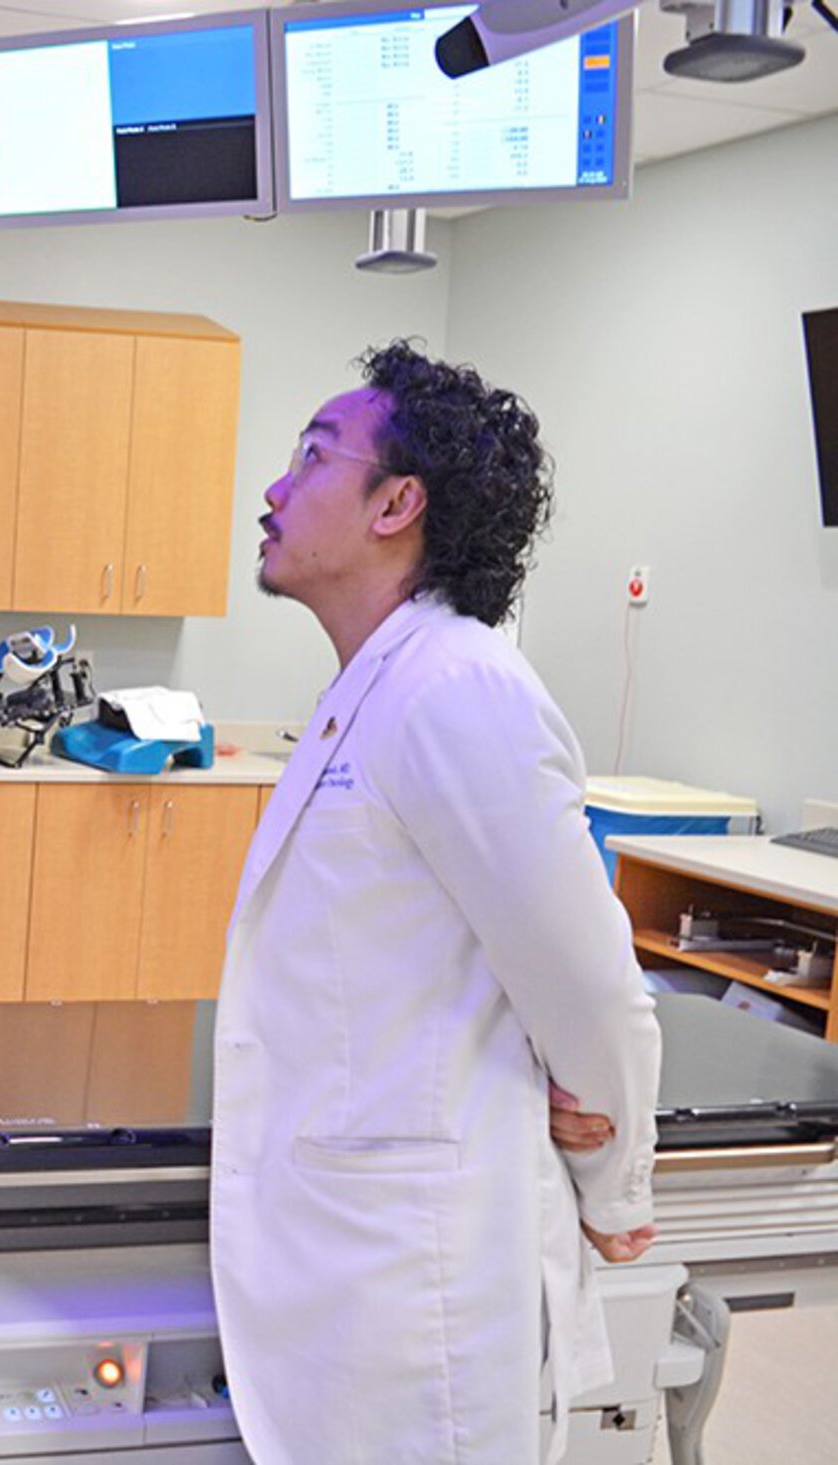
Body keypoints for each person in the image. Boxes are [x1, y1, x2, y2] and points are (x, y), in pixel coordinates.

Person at [209, 342, 662, 1463]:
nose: (273, 488)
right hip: (354, 1245)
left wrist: (617, 1188)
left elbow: (591, 994)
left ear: (396, 503)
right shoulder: (372, 688)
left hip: (424, 1274)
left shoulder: (460, 689)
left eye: (312, 457)